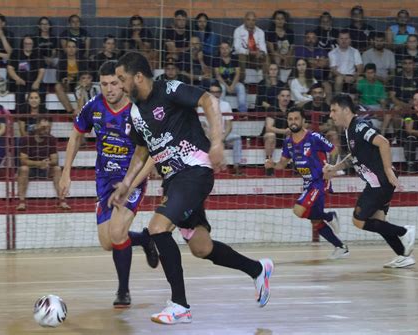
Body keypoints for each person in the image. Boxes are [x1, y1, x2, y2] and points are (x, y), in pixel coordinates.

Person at [110, 52, 273, 324]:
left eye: (122, 79)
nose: (120, 86)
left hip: (195, 170)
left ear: (138, 77)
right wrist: (127, 183)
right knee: (201, 247)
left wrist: (218, 141)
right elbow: (142, 149)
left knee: (158, 228)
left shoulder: (169, 89)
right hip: (174, 181)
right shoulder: (136, 112)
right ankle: (258, 269)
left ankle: (179, 304)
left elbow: (208, 100)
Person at [58, 61, 159, 308]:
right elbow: (75, 134)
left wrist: (136, 180)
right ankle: (145, 239)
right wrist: (66, 172)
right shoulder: (94, 107)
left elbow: (153, 152)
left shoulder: (138, 110)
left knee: (116, 233)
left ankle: (123, 291)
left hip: (132, 179)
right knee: (107, 242)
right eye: (104, 84)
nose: (109, 89)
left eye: (114, 83)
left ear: (123, 83)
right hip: (105, 180)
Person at [324, 94, 416, 268]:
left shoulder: (359, 126)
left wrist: (388, 170)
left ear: (345, 109)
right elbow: (354, 155)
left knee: (358, 220)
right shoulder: (349, 130)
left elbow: (383, 142)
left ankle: (405, 231)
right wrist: (335, 168)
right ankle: (404, 255)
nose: (331, 115)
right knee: (379, 221)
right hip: (377, 182)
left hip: (380, 182)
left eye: (333, 110)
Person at [265, 107, 348, 259]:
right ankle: (340, 247)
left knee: (298, 210)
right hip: (308, 183)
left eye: (296, 119)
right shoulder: (288, 142)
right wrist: (273, 165)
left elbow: (334, 150)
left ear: (303, 121)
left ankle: (330, 217)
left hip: (320, 181)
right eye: (290, 119)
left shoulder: (314, 137)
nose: (293, 122)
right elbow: (282, 165)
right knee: (315, 221)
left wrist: (330, 167)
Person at [16, 117, 70, 211]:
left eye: (47, 128)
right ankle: (21, 202)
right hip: (31, 169)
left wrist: (47, 163)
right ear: (36, 126)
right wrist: (38, 163)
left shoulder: (51, 139)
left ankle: (62, 200)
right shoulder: (27, 139)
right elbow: (23, 160)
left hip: (46, 168)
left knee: (57, 169)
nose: (45, 130)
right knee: (23, 169)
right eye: (43, 127)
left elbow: (55, 159)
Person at [198, 83, 243, 175]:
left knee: (237, 138)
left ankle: (237, 166)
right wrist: (214, 139)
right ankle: (206, 167)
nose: (215, 94)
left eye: (217, 92)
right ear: (208, 93)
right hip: (208, 135)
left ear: (221, 93)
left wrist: (221, 138)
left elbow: (229, 126)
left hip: (223, 135)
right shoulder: (201, 107)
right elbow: (202, 126)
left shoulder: (226, 105)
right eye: (212, 92)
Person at [7, 35, 45, 111]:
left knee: (42, 91)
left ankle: (41, 116)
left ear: (33, 44)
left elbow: (42, 70)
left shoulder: (38, 54)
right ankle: (20, 117)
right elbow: (10, 69)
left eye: (30, 43)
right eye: (26, 43)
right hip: (20, 82)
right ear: (22, 44)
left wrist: (37, 81)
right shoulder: (16, 53)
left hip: (34, 82)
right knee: (19, 93)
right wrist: (18, 79)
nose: (28, 45)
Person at [263, 86, 293, 175]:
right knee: (271, 135)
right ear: (278, 97)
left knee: (294, 136)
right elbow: (268, 127)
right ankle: (269, 163)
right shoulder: (272, 108)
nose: (285, 98)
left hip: (286, 137)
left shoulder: (292, 109)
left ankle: (293, 163)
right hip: (272, 136)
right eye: (283, 96)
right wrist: (284, 131)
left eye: (287, 96)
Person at [213, 41, 247, 113]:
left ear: (230, 49)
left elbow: (238, 74)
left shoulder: (235, 58)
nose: (224, 50)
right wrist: (227, 87)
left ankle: (242, 112)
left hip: (233, 83)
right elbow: (218, 76)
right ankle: (222, 111)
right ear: (219, 49)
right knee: (222, 88)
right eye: (222, 48)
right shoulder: (216, 59)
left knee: (241, 87)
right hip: (222, 83)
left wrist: (232, 86)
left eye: (226, 48)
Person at [233, 11, 268, 81]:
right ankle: (241, 80)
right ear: (244, 20)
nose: (251, 22)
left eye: (253, 20)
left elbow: (264, 49)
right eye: (248, 19)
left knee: (266, 57)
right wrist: (250, 52)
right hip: (242, 56)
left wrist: (261, 53)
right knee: (241, 56)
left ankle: (265, 81)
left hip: (255, 56)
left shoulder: (260, 32)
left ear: (256, 21)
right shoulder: (238, 30)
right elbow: (237, 48)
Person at [329, 29, 363, 95]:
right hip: (338, 75)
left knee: (361, 79)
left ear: (350, 40)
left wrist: (354, 77)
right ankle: (337, 99)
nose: (344, 41)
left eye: (346, 38)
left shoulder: (355, 51)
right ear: (338, 40)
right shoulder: (332, 53)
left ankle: (355, 100)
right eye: (341, 38)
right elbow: (333, 70)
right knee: (339, 79)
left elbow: (360, 68)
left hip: (352, 76)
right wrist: (344, 77)